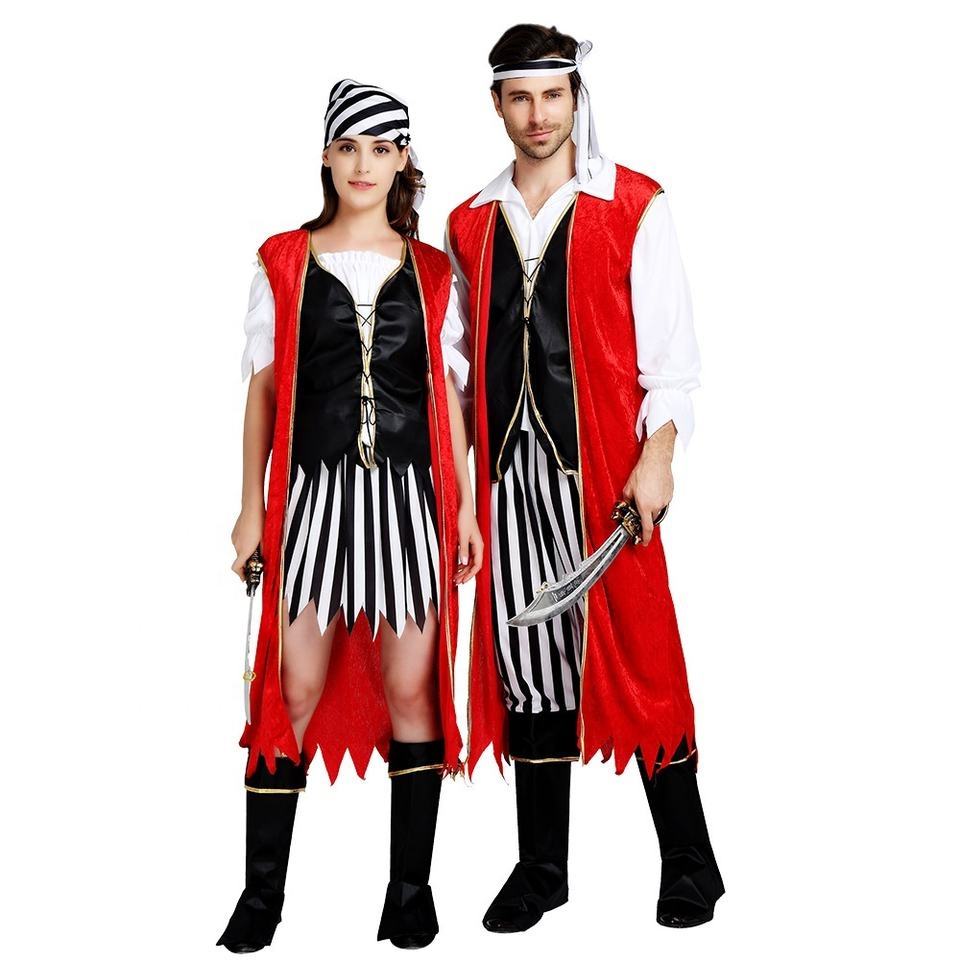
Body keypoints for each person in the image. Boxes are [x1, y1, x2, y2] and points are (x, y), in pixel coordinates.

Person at [443, 25, 724, 930]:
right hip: (509, 476)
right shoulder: (469, 221)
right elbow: (455, 375)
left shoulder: (633, 203)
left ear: (576, 96)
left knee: (639, 653)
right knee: (529, 663)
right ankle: (542, 868)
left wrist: (658, 456)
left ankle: (690, 862)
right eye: (521, 97)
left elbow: (672, 359)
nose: (539, 115)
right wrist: (462, 495)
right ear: (497, 103)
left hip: (602, 473)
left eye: (553, 95)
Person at [218, 79, 482, 952]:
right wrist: (251, 509)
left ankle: (410, 892)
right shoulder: (283, 261)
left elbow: (447, 398)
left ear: (402, 159)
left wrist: (464, 510)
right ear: (326, 156)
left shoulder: (434, 272)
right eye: (348, 147)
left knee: (411, 687)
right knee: (292, 687)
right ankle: (262, 897)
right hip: (316, 498)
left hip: (409, 501)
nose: (363, 164)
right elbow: (263, 393)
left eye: (381, 148)